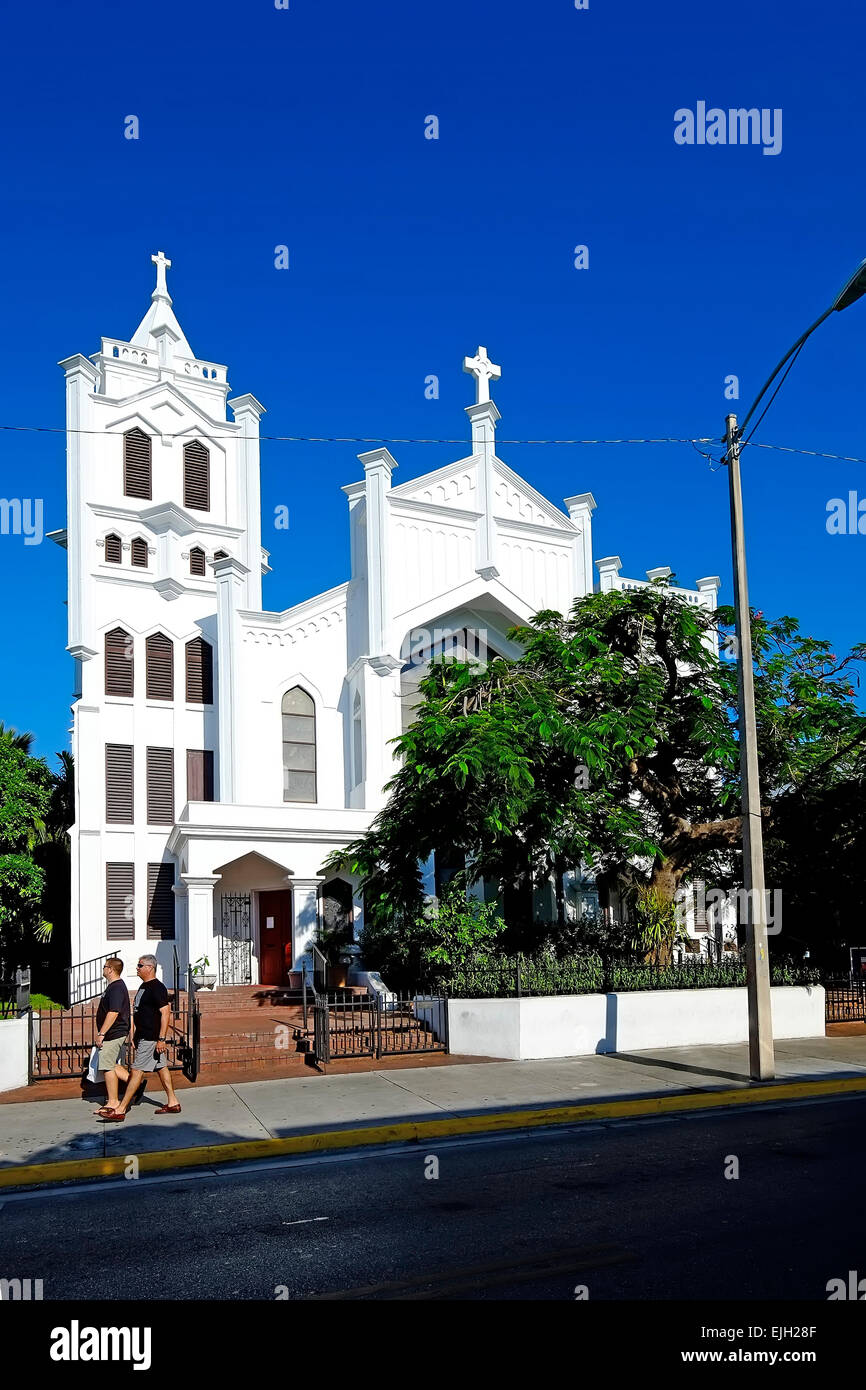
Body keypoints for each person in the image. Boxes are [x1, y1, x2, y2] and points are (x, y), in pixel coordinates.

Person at [99, 955, 181, 1120]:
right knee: (161, 1068)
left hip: (151, 1038)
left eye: (140, 965)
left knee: (136, 1071)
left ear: (150, 968)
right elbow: (140, 1013)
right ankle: (173, 1102)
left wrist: (161, 1039)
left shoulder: (157, 988)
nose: (137, 968)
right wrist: (136, 1036)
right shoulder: (144, 986)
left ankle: (121, 1109)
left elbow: (165, 1013)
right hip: (144, 1036)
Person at [93, 957, 131, 1118]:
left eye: (104, 967)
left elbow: (113, 1011)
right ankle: (134, 1083)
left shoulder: (116, 988)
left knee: (107, 1066)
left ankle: (113, 1102)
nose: (103, 969)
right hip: (115, 1032)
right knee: (109, 1063)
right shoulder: (114, 986)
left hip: (114, 1032)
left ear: (110, 969)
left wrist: (101, 1033)